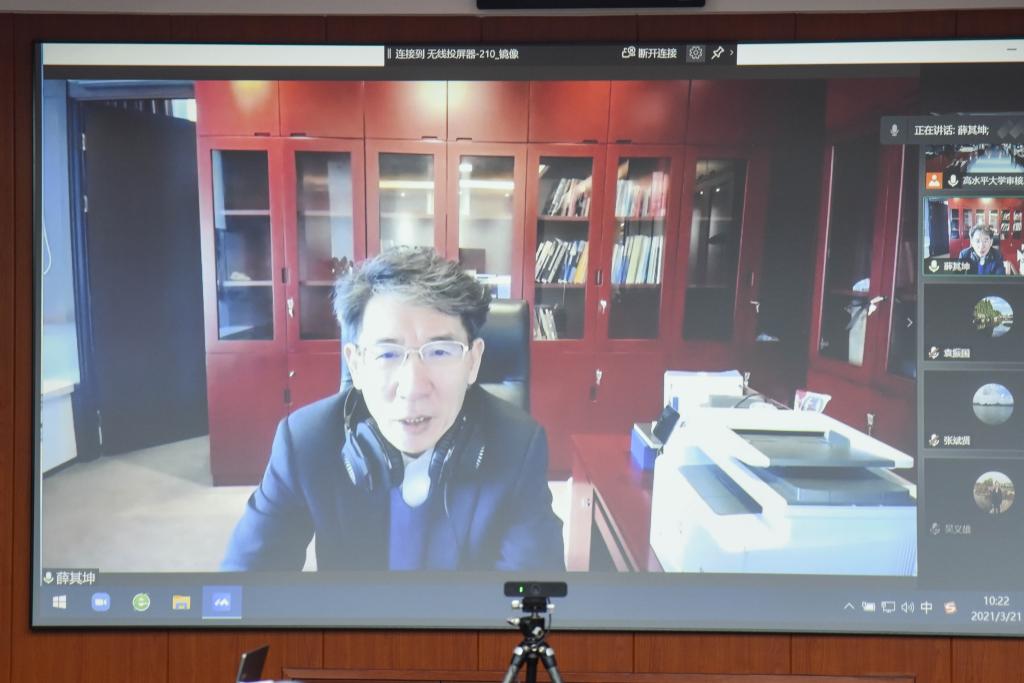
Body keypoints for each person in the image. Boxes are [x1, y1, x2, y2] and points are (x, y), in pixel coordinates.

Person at [221, 247, 565, 571]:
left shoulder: (517, 444)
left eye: (440, 351)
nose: (412, 387)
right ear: (356, 365)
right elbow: (244, 586)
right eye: (387, 354)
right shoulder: (305, 442)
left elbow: (533, 593)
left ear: (473, 362)